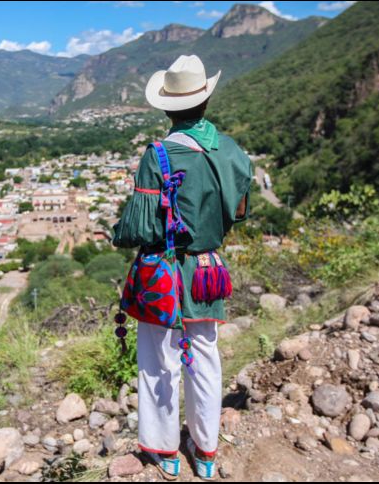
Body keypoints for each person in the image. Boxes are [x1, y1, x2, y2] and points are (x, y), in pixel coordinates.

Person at [112, 54, 252, 480]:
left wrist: (118, 233)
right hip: (208, 270)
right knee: (205, 358)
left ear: (167, 108)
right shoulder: (231, 150)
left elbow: (140, 226)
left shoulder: (158, 155)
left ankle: (166, 452)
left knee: (160, 360)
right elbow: (240, 210)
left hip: (166, 274)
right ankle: (206, 453)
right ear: (205, 100)